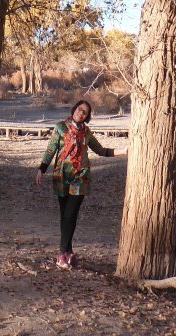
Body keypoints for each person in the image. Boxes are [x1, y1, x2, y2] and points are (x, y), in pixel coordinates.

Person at [35, 99, 126, 269]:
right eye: (79, 109)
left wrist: (124, 151)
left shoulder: (87, 133)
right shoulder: (61, 127)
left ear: (87, 116)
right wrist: (42, 169)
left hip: (80, 177)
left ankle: (61, 254)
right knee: (65, 215)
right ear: (74, 109)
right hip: (62, 176)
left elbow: (101, 151)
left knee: (71, 213)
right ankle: (68, 252)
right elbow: (51, 149)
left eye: (85, 112)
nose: (81, 112)